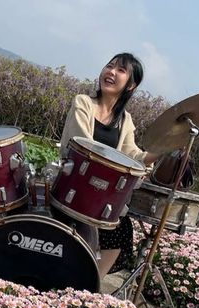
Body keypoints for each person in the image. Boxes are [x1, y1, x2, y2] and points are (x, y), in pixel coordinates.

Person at [59, 53, 159, 278]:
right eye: (110, 66)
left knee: (121, 230)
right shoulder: (83, 103)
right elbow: (83, 144)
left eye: (120, 70)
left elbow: (132, 154)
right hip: (72, 184)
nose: (111, 72)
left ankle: (91, 285)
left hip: (100, 195)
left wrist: (158, 153)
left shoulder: (126, 120)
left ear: (131, 85)